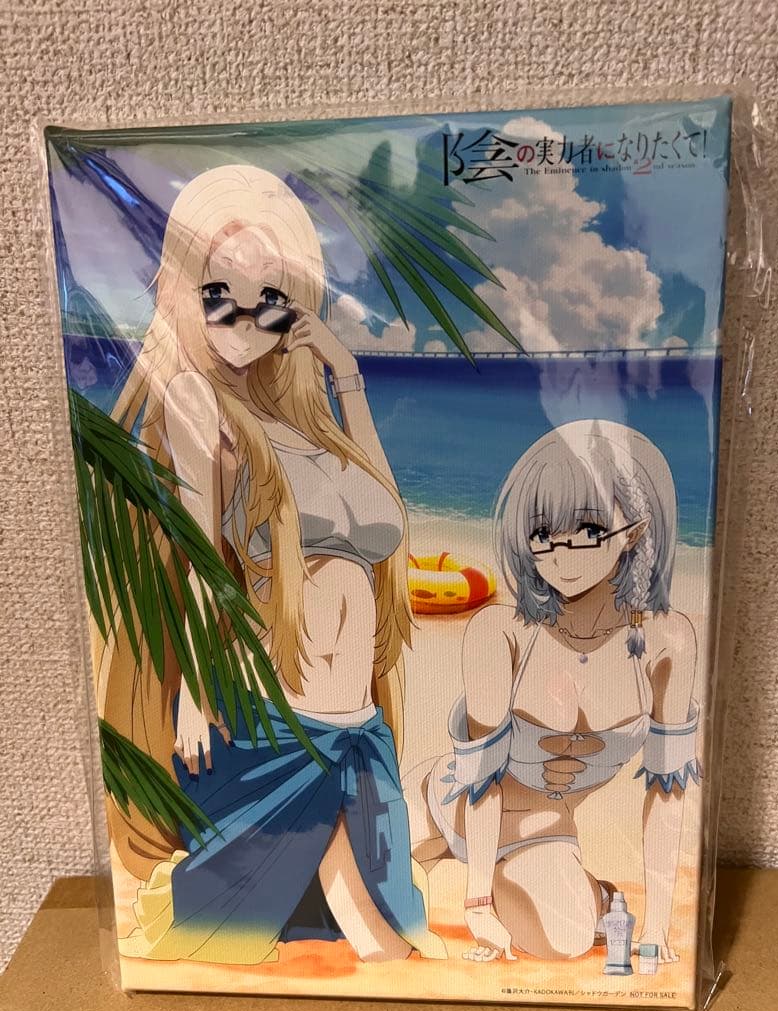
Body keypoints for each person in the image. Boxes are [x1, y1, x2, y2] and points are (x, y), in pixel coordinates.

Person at [101, 164, 443, 964]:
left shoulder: (306, 422)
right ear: (182, 291)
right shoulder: (195, 403)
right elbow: (196, 556)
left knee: (384, 927)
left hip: (357, 727)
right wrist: (191, 693)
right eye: (219, 294)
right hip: (278, 721)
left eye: (271, 298)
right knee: (379, 938)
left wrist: (346, 375)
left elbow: (387, 516)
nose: (244, 320)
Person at [406, 420, 700, 964]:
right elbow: (480, 775)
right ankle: (460, 863)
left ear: (635, 531)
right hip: (446, 800)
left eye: (588, 529)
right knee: (351, 893)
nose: (560, 554)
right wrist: (477, 903)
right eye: (542, 534)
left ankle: (594, 896)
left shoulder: (668, 642)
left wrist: (657, 928)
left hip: (539, 834)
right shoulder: (501, 631)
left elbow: (668, 792)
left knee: (564, 945)